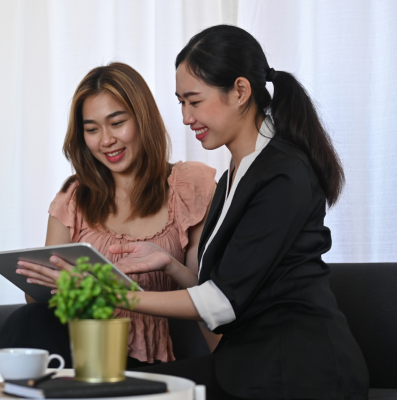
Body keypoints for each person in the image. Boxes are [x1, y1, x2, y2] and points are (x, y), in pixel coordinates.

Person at [47, 25, 369, 399]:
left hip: (298, 371)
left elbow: (223, 302)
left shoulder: (283, 173)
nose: (185, 117)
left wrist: (114, 296)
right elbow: (222, 285)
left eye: (194, 101)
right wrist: (167, 265)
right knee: (119, 391)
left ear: (240, 91)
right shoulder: (237, 173)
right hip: (249, 365)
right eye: (181, 102)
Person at [0, 62, 219, 369]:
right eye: (91, 129)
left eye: (116, 123)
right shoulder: (73, 198)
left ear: (143, 120)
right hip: (80, 346)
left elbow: (207, 292)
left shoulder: (187, 186)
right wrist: (57, 283)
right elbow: (37, 302)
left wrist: (168, 264)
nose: (105, 140)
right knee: (31, 317)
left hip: (154, 354)